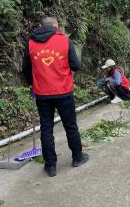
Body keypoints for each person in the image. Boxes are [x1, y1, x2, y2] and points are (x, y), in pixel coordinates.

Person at [22, 16, 88, 177]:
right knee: (70, 125)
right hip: (63, 91)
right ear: (56, 26)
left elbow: (25, 69)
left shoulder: (31, 43)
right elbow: (76, 65)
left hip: (42, 94)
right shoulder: (64, 40)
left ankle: (50, 166)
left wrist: (34, 82)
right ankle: (77, 158)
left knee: (46, 128)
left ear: (41, 26)